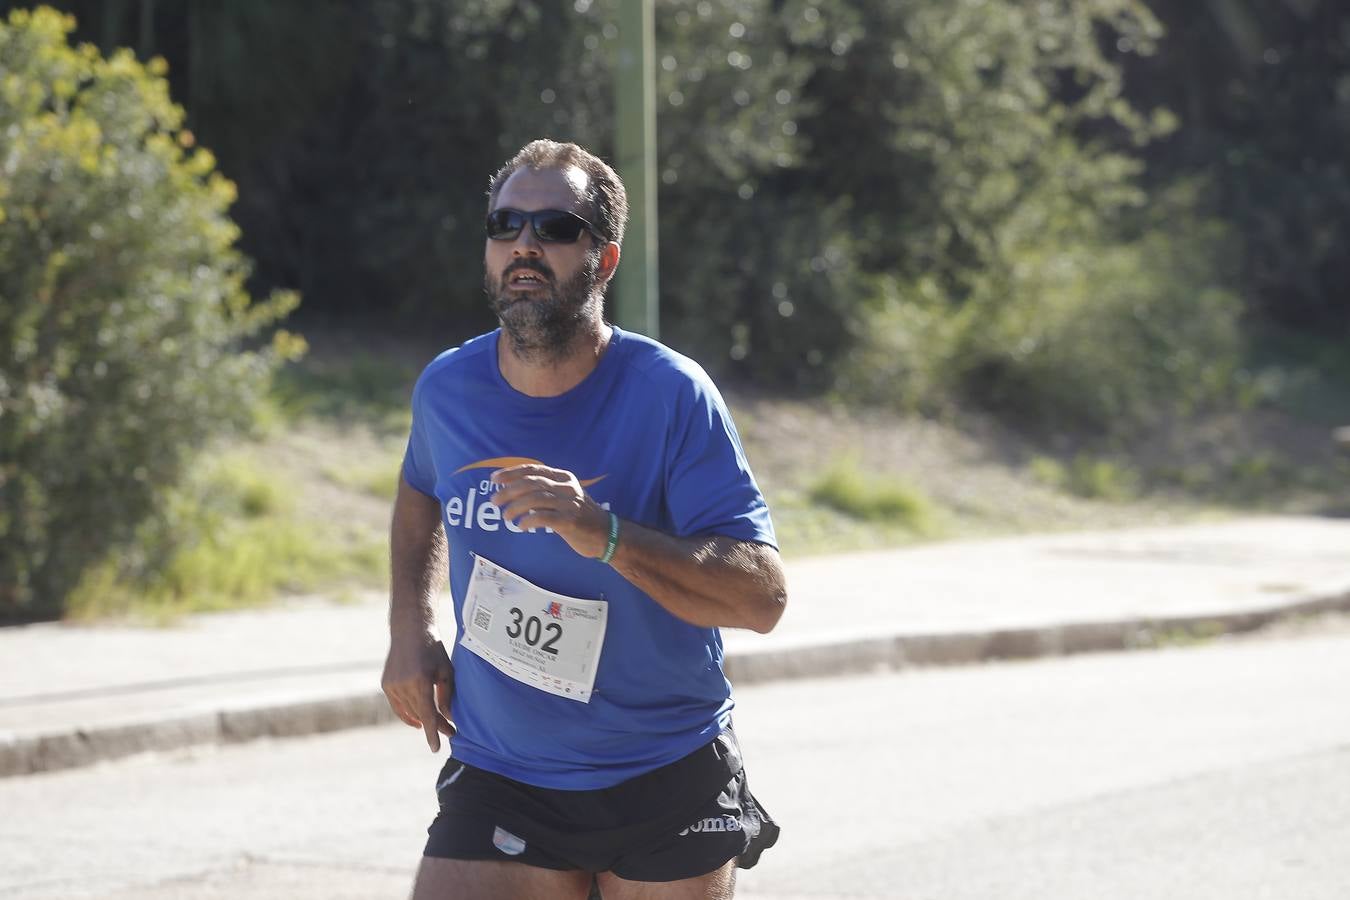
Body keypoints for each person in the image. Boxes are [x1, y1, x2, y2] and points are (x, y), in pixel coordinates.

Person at [381, 139, 787, 900]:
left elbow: (762, 598)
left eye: (555, 227)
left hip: (661, 770)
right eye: (506, 225)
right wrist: (409, 625)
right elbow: (418, 494)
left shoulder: (671, 395)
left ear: (602, 260)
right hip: (504, 769)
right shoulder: (448, 389)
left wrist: (605, 534)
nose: (524, 245)